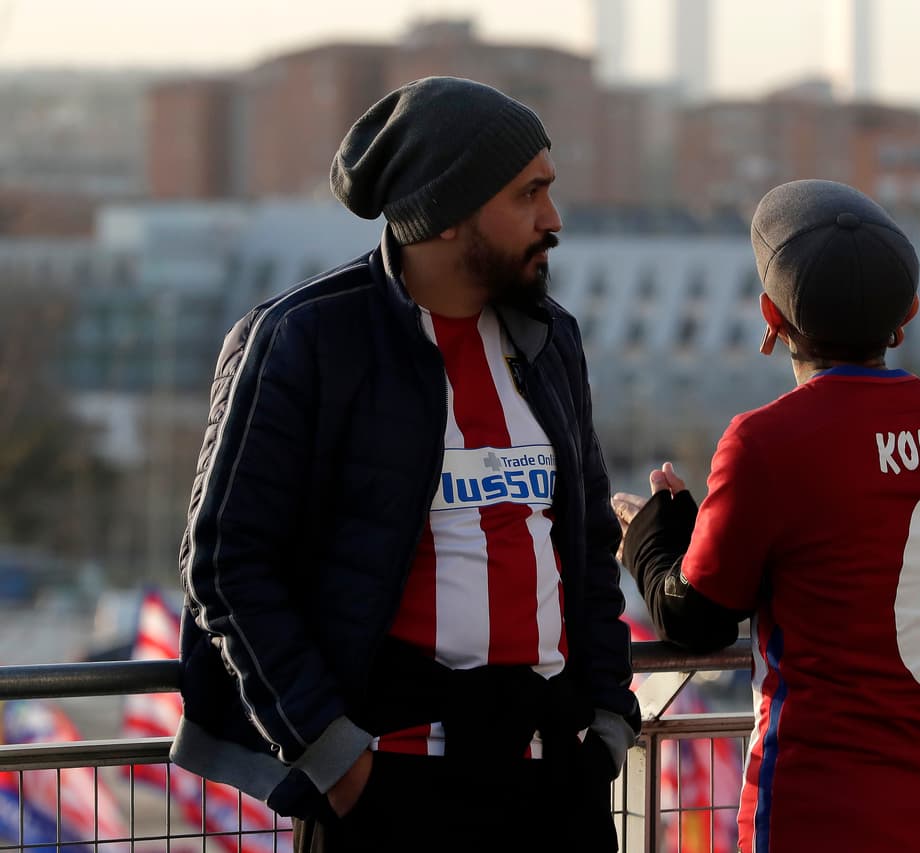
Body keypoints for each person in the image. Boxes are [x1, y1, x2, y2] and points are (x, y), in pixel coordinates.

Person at [170, 77, 640, 851]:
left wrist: (610, 720)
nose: (552, 219)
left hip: (557, 781)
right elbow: (225, 565)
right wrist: (337, 762)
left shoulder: (551, 339)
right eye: (528, 194)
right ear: (449, 214)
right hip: (390, 789)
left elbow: (589, 543)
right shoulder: (303, 340)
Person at [613, 180, 920, 852]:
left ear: (771, 314)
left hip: (818, 813)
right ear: (905, 315)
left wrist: (650, 537)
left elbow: (698, 616)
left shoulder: (768, 442)